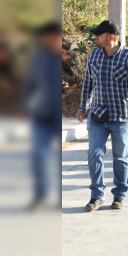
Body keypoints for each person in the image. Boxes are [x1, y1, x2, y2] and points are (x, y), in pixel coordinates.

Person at [77, 20, 128, 211]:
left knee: (120, 157)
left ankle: (120, 195)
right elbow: (87, 83)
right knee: (94, 154)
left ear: (111, 37)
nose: (96, 37)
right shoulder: (94, 56)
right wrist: (83, 107)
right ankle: (96, 195)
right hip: (98, 115)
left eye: (100, 35)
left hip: (122, 116)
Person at [24, 22, 63, 209]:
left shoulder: (65, 56)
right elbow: (30, 82)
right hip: (40, 113)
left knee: (58, 157)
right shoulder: (38, 57)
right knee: (38, 154)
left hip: (58, 114)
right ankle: (40, 195)